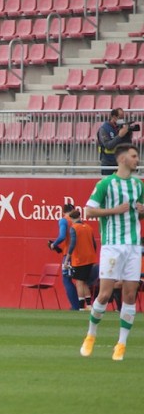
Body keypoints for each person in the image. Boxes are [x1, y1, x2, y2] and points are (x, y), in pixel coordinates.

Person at [80, 144, 144, 361]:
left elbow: (139, 214)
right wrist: (114, 211)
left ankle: (121, 343)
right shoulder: (106, 183)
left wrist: (142, 212)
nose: (138, 160)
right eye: (134, 156)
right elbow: (89, 210)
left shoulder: (138, 185)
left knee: (129, 294)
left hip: (134, 246)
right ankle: (91, 335)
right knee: (105, 294)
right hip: (113, 245)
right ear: (123, 158)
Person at [49, 203, 81, 310]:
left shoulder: (64, 220)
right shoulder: (78, 222)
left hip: (69, 254)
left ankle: (75, 306)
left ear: (63, 211)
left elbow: (62, 236)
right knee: (81, 281)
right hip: (80, 254)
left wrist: (54, 244)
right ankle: (82, 305)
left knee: (67, 279)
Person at [66, 208, 98, 311]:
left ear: (71, 218)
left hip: (80, 259)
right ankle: (89, 305)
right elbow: (94, 244)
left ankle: (81, 306)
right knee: (84, 282)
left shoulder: (74, 228)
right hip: (90, 258)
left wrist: (67, 258)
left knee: (79, 282)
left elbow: (73, 244)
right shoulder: (88, 227)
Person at [98, 108, 133, 176]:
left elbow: (128, 144)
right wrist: (119, 136)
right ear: (114, 117)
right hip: (108, 163)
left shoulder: (121, 127)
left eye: (123, 117)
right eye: (120, 117)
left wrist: (128, 133)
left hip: (121, 162)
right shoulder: (104, 129)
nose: (122, 120)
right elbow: (108, 146)